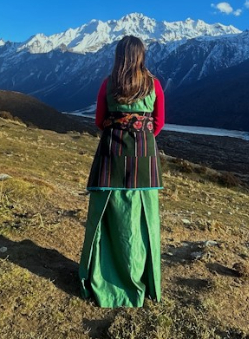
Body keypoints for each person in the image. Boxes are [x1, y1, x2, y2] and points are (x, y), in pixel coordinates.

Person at [78, 36, 165, 307]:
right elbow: (159, 122)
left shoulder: (108, 84)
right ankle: (141, 280)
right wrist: (142, 139)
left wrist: (117, 133)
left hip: (110, 155)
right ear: (141, 55)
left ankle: (102, 278)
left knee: (105, 219)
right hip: (144, 157)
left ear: (118, 55)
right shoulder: (154, 84)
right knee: (142, 220)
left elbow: (99, 121)